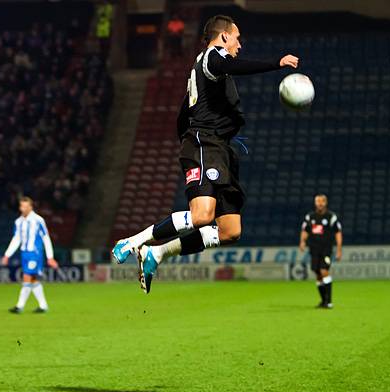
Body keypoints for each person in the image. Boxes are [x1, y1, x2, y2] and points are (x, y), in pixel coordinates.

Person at [112, 15, 299, 292]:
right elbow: (229, 64)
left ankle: (158, 253)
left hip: (220, 148)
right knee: (201, 216)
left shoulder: (204, 73)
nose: (239, 44)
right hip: (205, 142)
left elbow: (183, 111)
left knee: (230, 231)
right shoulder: (213, 57)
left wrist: (187, 137)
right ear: (223, 37)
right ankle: (133, 241)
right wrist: (276, 63)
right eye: (237, 38)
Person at [2, 197, 58, 314]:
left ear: (31, 207)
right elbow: (16, 239)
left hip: (35, 253)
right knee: (33, 280)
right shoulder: (18, 222)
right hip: (24, 253)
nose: (23, 209)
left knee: (27, 277)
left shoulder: (38, 220)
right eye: (22, 206)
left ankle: (19, 306)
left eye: (26, 206)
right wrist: (7, 255)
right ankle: (43, 306)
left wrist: (50, 257)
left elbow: (46, 238)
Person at [299, 194, 343, 309]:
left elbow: (338, 233)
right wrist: (302, 242)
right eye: (318, 201)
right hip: (314, 249)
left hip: (326, 249)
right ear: (315, 203)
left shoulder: (331, 217)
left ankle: (329, 302)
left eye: (322, 201)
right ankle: (323, 301)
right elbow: (305, 230)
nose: (320, 203)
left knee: (324, 271)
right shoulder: (310, 217)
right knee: (318, 274)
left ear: (326, 203)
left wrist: (339, 249)